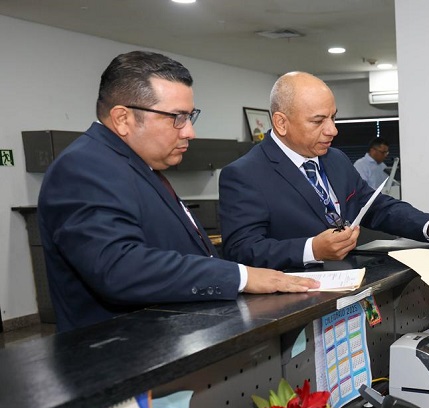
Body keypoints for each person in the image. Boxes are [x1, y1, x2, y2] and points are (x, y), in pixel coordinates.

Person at [38, 51, 319, 333]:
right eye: (177, 117)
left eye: (189, 116)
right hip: (124, 356)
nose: (189, 132)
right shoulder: (84, 167)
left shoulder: (136, 166)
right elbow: (120, 268)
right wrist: (241, 276)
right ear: (122, 118)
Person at [218, 71, 429, 270]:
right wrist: (311, 249)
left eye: (333, 118)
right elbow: (242, 250)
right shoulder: (244, 174)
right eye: (318, 121)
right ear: (281, 123)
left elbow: (374, 206)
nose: (333, 130)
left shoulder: (335, 158)